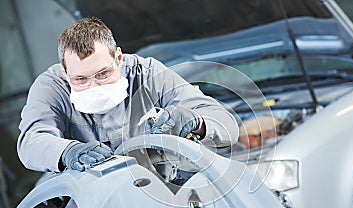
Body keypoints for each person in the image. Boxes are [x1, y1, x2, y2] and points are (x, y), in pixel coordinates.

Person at [17, 17, 239, 173]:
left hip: (160, 189)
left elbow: (226, 123)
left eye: (103, 74)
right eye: (81, 79)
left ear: (119, 59)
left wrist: (195, 121)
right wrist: (68, 151)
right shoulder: (51, 87)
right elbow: (30, 142)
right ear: (65, 72)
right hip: (86, 201)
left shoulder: (147, 73)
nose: (94, 87)